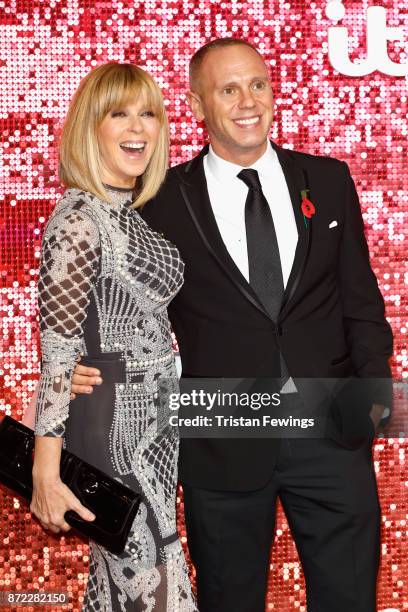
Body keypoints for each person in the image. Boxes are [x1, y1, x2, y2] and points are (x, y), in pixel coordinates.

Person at [71, 40, 393, 612]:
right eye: (228, 89)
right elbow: (121, 316)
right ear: (197, 104)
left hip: (332, 437)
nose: (248, 101)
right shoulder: (160, 201)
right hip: (220, 441)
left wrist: (369, 403)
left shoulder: (329, 179)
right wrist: (78, 372)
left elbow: (362, 306)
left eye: (258, 85)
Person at [30, 62, 197, 611]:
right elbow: (56, 355)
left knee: (138, 580)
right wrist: (45, 473)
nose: (138, 126)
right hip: (115, 434)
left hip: (156, 431)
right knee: (154, 582)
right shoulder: (80, 218)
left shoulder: (131, 216)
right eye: (119, 113)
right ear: (89, 127)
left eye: (148, 113)